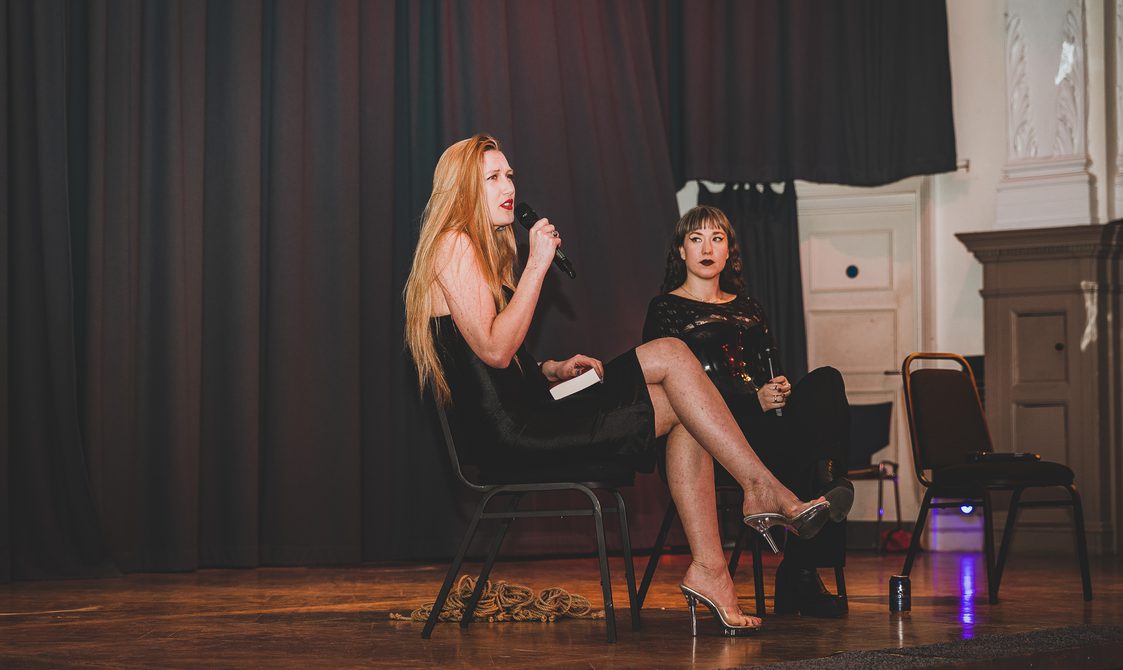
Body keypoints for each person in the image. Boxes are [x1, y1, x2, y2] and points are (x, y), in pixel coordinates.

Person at [403, 134, 846, 636]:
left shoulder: (481, 250)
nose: (508, 186)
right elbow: (493, 351)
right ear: (462, 189)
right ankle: (761, 491)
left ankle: (713, 568)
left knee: (683, 399)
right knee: (674, 356)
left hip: (534, 404)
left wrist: (552, 368)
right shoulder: (454, 244)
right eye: (492, 178)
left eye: (509, 175)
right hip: (512, 433)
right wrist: (537, 265)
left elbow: (501, 359)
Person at [643, 205, 854, 618]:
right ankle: (802, 575)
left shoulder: (750, 308)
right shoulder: (665, 309)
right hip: (707, 441)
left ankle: (822, 499)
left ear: (729, 253)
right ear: (681, 252)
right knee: (817, 469)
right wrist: (749, 401)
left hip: (762, 428)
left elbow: (762, 372)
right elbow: (672, 389)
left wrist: (777, 391)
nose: (707, 247)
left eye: (717, 239)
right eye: (696, 239)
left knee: (826, 381)